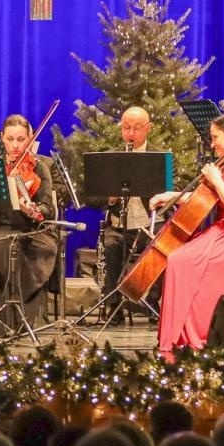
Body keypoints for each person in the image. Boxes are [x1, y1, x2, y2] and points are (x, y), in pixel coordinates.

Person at [154, 111, 224, 356]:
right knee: (178, 259)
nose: (212, 143)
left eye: (215, 137)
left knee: (183, 262)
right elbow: (206, 199)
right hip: (223, 231)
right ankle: (182, 338)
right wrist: (171, 196)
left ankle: (200, 336)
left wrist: (216, 179)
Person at [0, 114, 60, 327]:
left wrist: (32, 210)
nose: (15, 145)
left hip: (29, 231)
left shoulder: (39, 167)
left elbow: (48, 209)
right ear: (2, 138)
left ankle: (10, 320)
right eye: (10, 139)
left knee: (5, 244)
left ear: (29, 139)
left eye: (21, 139)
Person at [84, 106, 155, 322]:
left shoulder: (159, 156)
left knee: (164, 248)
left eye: (137, 128)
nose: (131, 133)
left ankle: (152, 303)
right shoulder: (110, 158)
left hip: (149, 226)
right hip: (118, 227)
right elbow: (91, 197)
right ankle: (114, 308)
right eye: (126, 127)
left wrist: (157, 194)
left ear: (148, 128)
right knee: (107, 246)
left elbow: (176, 186)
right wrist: (110, 198)